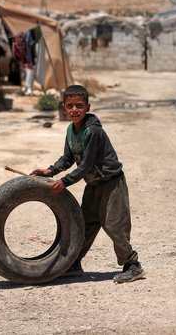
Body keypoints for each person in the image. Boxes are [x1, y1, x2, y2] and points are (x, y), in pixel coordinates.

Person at [30, 84, 144, 283]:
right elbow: (68, 159)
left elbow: (85, 166)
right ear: (63, 108)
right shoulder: (70, 130)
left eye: (79, 106)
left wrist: (64, 182)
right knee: (84, 224)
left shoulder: (92, 132)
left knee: (114, 225)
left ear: (88, 107)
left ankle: (133, 265)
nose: (74, 110)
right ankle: (73, 263)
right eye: (70, 106)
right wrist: (50, 170)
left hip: (111, 184)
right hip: (93, 185)